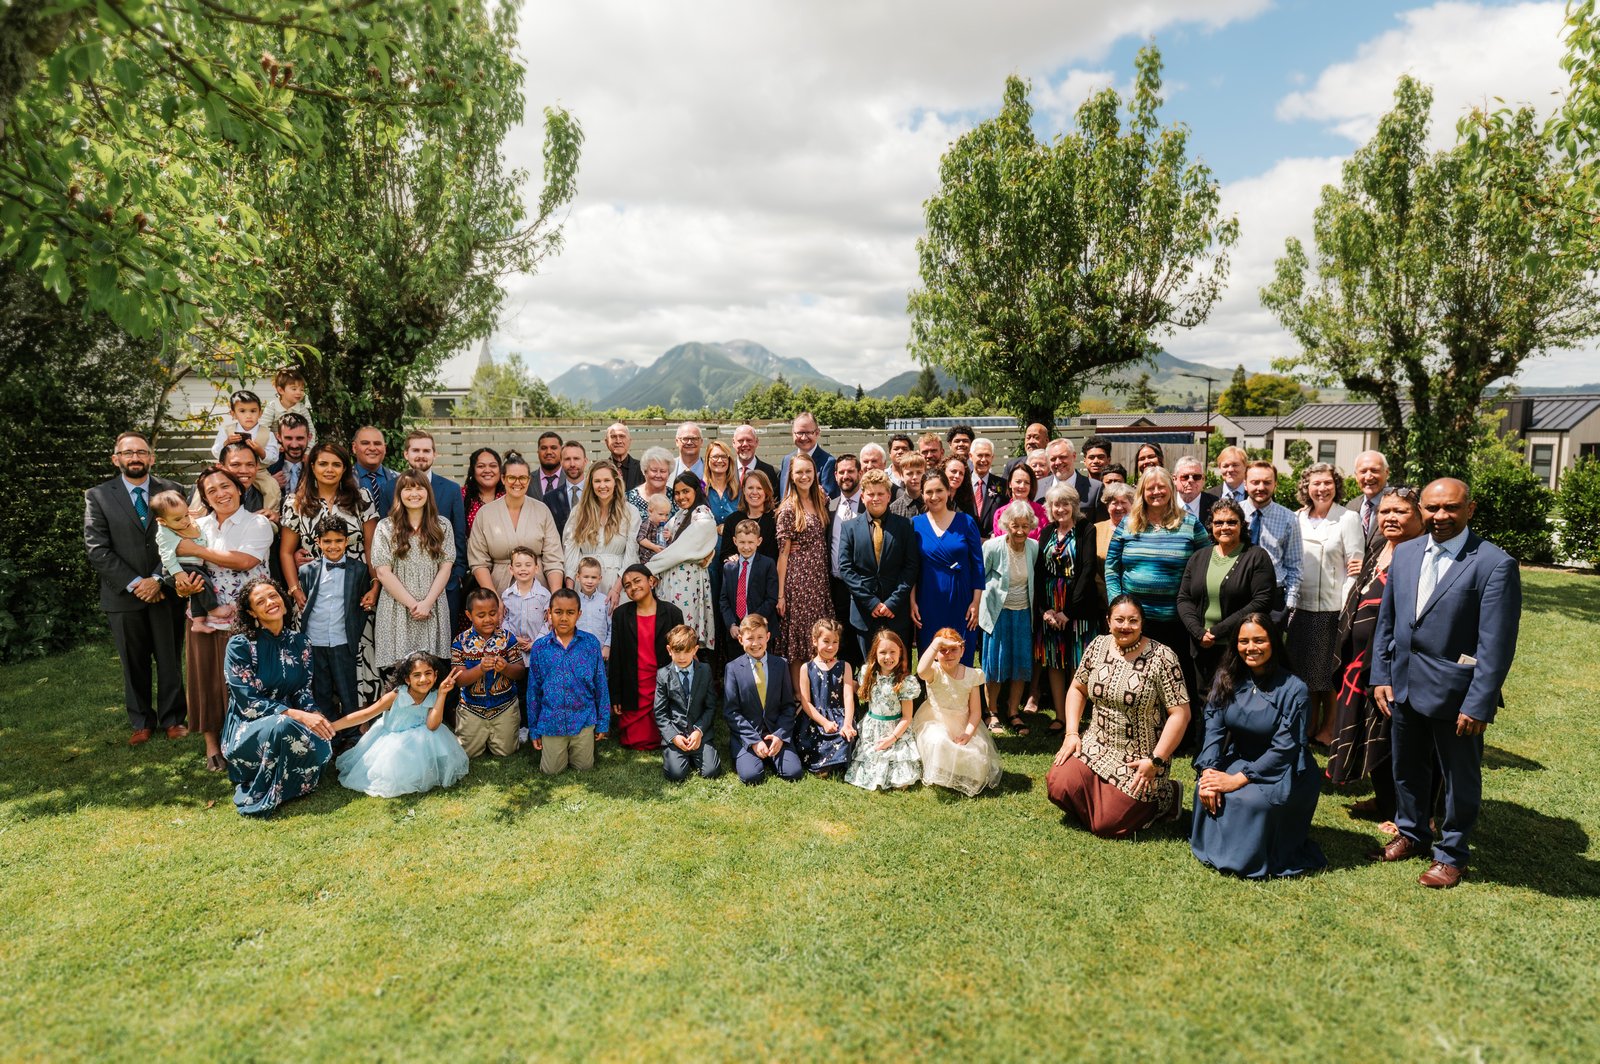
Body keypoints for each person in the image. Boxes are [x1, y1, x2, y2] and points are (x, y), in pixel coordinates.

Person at [1370, 478, 1521, 889]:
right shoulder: (1406, 553)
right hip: (1403, 684)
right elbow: (1388, 621)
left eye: (1450, 507)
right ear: (1421, 509)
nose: (1440, 516)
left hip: (1457, 694)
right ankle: (1412, 833)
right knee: (1407, 767)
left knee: (1459, 778)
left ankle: (1452, 854)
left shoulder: (1494, 564)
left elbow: (1496, 645)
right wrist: (1381, 674)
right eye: (1432, 508)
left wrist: (1478, 703)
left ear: (1469, 509)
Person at [1190, 615, 1327, 878]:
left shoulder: (1294, 689)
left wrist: (1236, 780)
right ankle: (1217, 847)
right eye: (1243, 641)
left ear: (1273, 642)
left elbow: (1285, 748)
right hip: (1241, 755)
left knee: (1249, 801)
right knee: (1204, 787)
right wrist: (1209, 771)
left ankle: (1248, 856)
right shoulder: (1226, 678)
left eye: (1259, 640)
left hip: (1284, 768)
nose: (1250, 647)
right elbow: (1213, 729)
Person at [1045, 596, 1190, 838]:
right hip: (1096, 745)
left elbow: (1180, 714)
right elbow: (1078, 689)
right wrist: (1071, 733)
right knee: (1057, 784)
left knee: (1107, 825)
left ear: (1142, 623)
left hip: (1140, 760)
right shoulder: (1098, 645)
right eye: (1119, 620)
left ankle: (1167, 795)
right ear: (1108, 621)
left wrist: (1156, 760)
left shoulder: (1163, 657)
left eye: (1133, 621)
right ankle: (1105, 798)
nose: (1125, 626)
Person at [1329, 486, 1426, 828]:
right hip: (1359, 662)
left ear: (1420, 517)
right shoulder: (1378, 547)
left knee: (1396, 740)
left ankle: (1408, 813)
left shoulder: (1421, 556)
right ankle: (1386, 800)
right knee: (1373, 734)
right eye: (1385, 512)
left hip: (1393, 664)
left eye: (1400, 511)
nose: (1390, 518)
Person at [84, 432, 190, 745]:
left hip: (166, 588)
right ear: (115, 459)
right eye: (128, 452)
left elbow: (183, 538)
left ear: (151, 458)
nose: (135, 458)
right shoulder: (98, 496)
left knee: (170, 658)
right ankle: (142, 721)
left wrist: (157, 578)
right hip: (123, 595)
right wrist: (136, 583)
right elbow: (97, 548)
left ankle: (173, 719)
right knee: (133, 661)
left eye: (141, 452)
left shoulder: (173, 490)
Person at [184, 467, 273, 771]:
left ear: (238, 488)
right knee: (207, 679)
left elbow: (244, 560)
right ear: (205, 498)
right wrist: (183, 583)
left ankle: (252, 742)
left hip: (247, 615)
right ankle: (212, 745)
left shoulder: (257, 522)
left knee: (250, 680)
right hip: (205, 616)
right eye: (212, 491)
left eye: (226, 486)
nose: (221, 494)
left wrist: (196, 550)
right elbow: (181, 563)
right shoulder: (197, 526)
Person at [221, 577, 334, 816]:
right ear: (252, 612)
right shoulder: (240, 646)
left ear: (283, 600)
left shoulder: (301, 642)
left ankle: (294, 779)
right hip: (248, 728)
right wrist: (298, 716)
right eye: (260, 601)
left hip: (292, 721)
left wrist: (314, 714)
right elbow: (248, 703)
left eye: (273, 596)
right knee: (282, 725)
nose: (270, 602)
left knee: (323, 740)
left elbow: (302, 691)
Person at [1105, 466, 1209, 699]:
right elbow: (1111, 567)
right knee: (1136, 682)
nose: (1156, 492)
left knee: (1176, 683)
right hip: (1135, 622)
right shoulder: (1128, 524)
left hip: (1177, 620)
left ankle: (1181, 724)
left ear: (1171, 489)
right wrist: (1116, 604)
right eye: (1150, 488)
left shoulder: (1189, 523)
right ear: (1142, 492)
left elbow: (1207, 561)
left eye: (1161, 487)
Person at [1293, 462, 1364, 744]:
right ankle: (1310, 725)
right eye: (1316, 483)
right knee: (1307, 673)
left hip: (1333, 608)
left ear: (1336, 486)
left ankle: (1329, 728)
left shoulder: (1348, 518)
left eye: (1327, 483)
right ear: (1306, 487)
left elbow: (1355, 567)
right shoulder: (1297, 517)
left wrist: (1346, 607)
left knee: (1330, 673)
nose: (1322, 488)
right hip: (1301, 607)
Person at [1176, 499, 1276, 697]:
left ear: (1242, 525)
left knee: (1233, 699)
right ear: (1211, 526)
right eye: (1218, 522)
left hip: (1237, 647)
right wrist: (1199, 633)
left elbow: (1262, 600)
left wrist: (1217, 631)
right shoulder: (1199, 557)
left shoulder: (1256, 556)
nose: (1225, 527)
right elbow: (1184, 598)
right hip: (1201, 646)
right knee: (1203, 701)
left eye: (1231, 522)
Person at [334, 652, 468, 798]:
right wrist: (333, 726)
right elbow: (365, 714)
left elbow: (432, 726)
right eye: (416, 675)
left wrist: (442, 694)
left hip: (423, 739)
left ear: (435, 676)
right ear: (407, 679)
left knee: (431, 736)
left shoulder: (434, 693)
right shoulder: (396, 695)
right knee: (396, 763)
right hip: (393, 740)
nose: (423, 679)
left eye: (428, 673)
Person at [1033, 483, 1100, 735]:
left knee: (1077, 661)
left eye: (1065, 504)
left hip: (1078, 606)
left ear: (1074, 506)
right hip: (1051, 607)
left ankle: (1075, 719)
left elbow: (1087, 570)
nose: (1060, 509)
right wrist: (1046, 610)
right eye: (1055, 504)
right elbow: (1039, 571)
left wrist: (1068, 612)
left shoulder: (1086, 529)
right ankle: (1060, 716)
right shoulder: (1047, 531)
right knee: (1054, 659)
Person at [370, 471, 454, 672]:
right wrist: (414, 605)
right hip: (398, 608)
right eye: (408, 488)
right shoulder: (385, 527)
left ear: (428, 492)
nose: (414, 493)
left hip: (432, 606)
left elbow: (446, 566)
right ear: (399, 493)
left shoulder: (442, 525)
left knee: (431, 670)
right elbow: (383, 572)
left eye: (419, 488)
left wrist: (427, 603)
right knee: (399, 673)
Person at [280, 441, 379, 610]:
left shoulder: (361, 499)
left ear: (344, 468)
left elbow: (371, 548)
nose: (330, 469)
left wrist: (375, 585)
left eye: (336, 465)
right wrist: (295, 589)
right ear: (312, 467)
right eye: (323, 464)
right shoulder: (296, 503)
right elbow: (286, 552)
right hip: (313, 589)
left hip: (357, 588)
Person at [299, 516, 370, 743]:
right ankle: (329, 738)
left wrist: (355, 631)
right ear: (318, 542)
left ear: (346, 541)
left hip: (342, 640)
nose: (333, 546)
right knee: (321, 691)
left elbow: (362, 605)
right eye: (327, 541)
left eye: (338, 540)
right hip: (315, 638)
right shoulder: (307, 571)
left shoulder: (359, 570)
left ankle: (352, 737)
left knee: (347, 689)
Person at [526, 588, 611, 776]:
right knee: (551, 771)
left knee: (584, 768)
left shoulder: (590, 644)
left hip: (583, 719)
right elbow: (533, 691)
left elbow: (600, 685)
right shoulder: (540, 647)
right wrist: (534, 729)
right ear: (549, 613)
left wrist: (603, 722)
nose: (564, 618)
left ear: (579, 614)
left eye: (570, 612)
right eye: (558, 612)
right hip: (551, 721)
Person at [838, 469, 919, 662]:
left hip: (896, 611)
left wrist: (893, 602)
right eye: (871, 494)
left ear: (889, 496)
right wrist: (871, 602)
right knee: (869, 666)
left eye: (880, 494)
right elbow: (846, 568)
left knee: (899, 666)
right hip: (864, 612)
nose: (876, 498)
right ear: (863, 496)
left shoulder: (905, 526)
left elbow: (911, 566)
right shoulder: (849, 527)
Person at [913, 628, 1002, 796]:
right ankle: (940, 770)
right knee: (938, 741)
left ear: (962, 651)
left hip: (964, 722)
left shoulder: (972, 675)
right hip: (935, 720)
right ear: (935, 654)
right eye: (942, 650)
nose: (948, 654)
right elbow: (921, 671)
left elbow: (975, 712)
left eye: (953, 649)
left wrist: (968, 734)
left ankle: (957, 770)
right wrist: (937, 642)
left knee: (974, 753)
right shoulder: (934, 671)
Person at [911, 469, 984, 665]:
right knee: (930, 659)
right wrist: (912, 602)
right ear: (922, 494)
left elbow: (978, 565)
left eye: (939, 490)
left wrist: (976, 602)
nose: (934, 496)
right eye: (929, 492)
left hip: (962, 601)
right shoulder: (915, 524)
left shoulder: (966, 522)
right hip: (928, 601)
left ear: (948, 491)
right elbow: (911, 568)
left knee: (961, 656)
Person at [609, 565, 685, 751]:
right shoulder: (621, 615)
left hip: (662, 683)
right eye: (627, 585)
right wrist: (616, 695)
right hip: (634, 684)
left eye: (637, 581)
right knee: (634, 740)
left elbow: (682, 653)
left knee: (665, 733)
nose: (633, 587)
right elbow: (616, 657)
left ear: (651, 581)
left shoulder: (672, 613)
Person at [775, 451, 834, 688]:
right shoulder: (788, 509)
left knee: (817, 636)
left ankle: (817, 690)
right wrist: (781, 595)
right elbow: (783, 554)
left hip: (819, 581)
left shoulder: (821, 500)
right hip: (798, 582)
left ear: (815, 474)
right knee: (798, 640)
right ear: (791, 476)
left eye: (808, 471)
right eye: (799, 472)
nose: (804, 476)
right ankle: (798, 695)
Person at [980, 501, 1039, 736]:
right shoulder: (993, 547)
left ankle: (1013, 711)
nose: (1020, 531)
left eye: (1025, 526)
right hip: (998, 613)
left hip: (1023, 612)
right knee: (995, 664)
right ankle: (991, 711)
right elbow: (980, 577)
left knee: (1020, 665)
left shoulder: (1033, 547)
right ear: (1007, 525)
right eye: (1015, 525)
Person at [466, 452, 564, 595]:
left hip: (539, 592)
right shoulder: (485, 514)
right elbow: (479, 561)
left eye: (523, 478)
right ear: (503, 479)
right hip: (497, 589)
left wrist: (555, 597)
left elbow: (553, 559)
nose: (517, 483)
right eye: (512, 477)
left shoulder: (542, 510)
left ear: (529, 480)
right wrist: (493, 598)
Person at [723, 614, 802, 784]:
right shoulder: (732, 668)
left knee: (793, 772)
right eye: (750, 638)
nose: (755, 643)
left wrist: (780, 736)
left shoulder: (781, 664)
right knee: (751, 776)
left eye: (760, 637)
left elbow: (788, 706)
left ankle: (774, 752)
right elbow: (732, 712)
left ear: (768, 637)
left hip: (775, 731)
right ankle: (753, 754)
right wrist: (754, 741)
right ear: (740, 639)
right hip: (748, 734)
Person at [647, 474, 720, 651]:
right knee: (671, 635)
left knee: (684, 633)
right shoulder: (681, 514)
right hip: (672, 581)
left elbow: (680, 550)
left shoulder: (702, 514)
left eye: (686, 491)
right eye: (677, 493)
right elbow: (665, 542)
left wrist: (649, 568)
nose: (681, 497)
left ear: (696, 491)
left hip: (687, 584)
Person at [843, 630, 923, 790]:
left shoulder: (905, 681)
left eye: (893, 652)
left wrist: (892, 738)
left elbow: (907, 717)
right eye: (883, 652)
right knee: (872, 762)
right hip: (873, 727)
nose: (888, 657)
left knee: (901, 777)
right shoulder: (867, 673)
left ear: (900, 653)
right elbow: (859, 691)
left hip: (896, 728)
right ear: (875, 653)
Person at [403, 430, 469, 621]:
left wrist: (456, 576)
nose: (421, 455)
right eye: (416, 450)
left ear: (434, 454)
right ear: (406, 454)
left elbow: (459, 535)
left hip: (445, 583)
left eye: (426, 450)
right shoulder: (391, 488)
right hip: (404, 587)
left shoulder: (451, 489)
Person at [451, 587, 524, 758]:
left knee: (506, 752)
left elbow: (520, 672)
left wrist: (506, 668)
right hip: (472, 708)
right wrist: (480, 669)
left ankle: (504, 734)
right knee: (467, 753)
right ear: (469, 615)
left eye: (492, 613)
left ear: (499, 612)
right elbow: (459, 680)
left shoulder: (507, 638)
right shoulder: (460, 642)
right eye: (481, 615)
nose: (488, 619)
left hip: (504, 706)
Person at [563, 460, 641, 605]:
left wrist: (617, 589)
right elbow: (571, 552)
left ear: (615, 482)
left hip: (617, 583)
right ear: (591, 484)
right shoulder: (579, 512)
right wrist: (570, 591)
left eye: (607, 480)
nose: (602, 485)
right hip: (584, 585)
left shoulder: (630, 512)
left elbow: (632, 554)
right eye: (597, 481)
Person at [653, 624, 723, 782]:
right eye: (677, 652)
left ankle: (697, 753)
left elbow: (711, 706)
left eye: (687, 651)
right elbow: (660, 712)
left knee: (712, 772)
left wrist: (699, 731)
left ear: (695, 650)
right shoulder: (663, 675)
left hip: (700, 734)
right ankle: (677, 754)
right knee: (676, 775)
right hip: (676, 733)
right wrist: (674, 737)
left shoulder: (705, 670)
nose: (682, 657)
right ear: (669, 650)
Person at [150, 490, 225, 632]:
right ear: (162, 521)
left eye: (186, 515)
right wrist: (178, 573)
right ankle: (213, 609)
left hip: (193, 566)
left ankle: (198, 622)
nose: (185, 521)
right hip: (180, 568)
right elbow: (166, 556)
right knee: (203, 583)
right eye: (178, 519)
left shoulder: (187, 524)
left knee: (197, 592)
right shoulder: (164, 533)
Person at [1239, 460, 1302, 622]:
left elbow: (1294, 565)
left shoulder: (1289, 519)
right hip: (1237, 594)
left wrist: (1289, 604)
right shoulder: (1234, 513)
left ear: (1275, 485)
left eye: (1267, 482)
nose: (1261, 487)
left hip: (1274, 599)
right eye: (1255, 482)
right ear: (1245, 484)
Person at [795, 618, 856, 776]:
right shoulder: (806, 668)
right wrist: (824, 722)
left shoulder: (845, 666)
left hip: (839, 717)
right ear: (815, 641)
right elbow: (806, 703)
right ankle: (826, 765)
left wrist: (847, 723)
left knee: (844, 736)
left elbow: (848, 697)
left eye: (835, 642)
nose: (831, 646)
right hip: (815, 717)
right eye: (826, 641)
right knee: (811, 739)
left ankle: (832, 764)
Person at [826, 454, 865, 664]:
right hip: (837, 586)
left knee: (863, 644)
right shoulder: (829, 507)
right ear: (835, 475)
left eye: (850, 471)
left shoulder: (869, 504)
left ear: (860, 473)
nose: (846, 476)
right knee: (841, 644)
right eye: (841, 472)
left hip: (863, 586)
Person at [719, 518, 779, 648]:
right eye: (742, 542)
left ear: (759, 541)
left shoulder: (768, 564)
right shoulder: (729, 567)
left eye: (751, 542)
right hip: (736, 632)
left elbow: (771, 599)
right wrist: (731, 624)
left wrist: (751, 623)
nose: (746, 547)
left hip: (760, 630)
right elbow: (724, 600)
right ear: (735, 541)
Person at [715, 468, 778, 570]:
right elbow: (725, 554)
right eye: (750, 488)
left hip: (766, 575)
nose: (754, 492)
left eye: (759, 488)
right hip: (739, 575)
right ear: (744, 490)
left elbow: (776, 556)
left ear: (766, 491)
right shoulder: (732, 520)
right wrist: (730, 558)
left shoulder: (775, 520)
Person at [1093, 481, 1136, 612]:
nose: (1119, 507)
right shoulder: (1095, 529)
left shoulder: (1140, 529)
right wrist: (1107, 595)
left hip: (1135, 600)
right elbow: (1091, 567)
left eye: (1123, 502)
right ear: (1107, 506)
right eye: (1114, 503)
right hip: (1100, 601)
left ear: (1132, 504)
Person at [1036, 438, 1103, 522]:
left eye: (1062, 457)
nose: (1058, 462)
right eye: (1053, 459)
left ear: (1074, 456)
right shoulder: (1038, 487)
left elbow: (1102, 525)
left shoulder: (1095, 488)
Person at [778, 411, 838, 498]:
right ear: (792, 433)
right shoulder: (787, 460)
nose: (804, 438)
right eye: (800, 433)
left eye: (809, 433)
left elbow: (828, 501)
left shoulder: (828, 463)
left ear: (817, 433)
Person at [261, 367, 316, 447]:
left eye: (302, 389)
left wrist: (308, 449)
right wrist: (275, 446)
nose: (299, 392)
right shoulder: (272, 406)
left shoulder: (302, 409)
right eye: (294, 389)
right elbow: (263, 428)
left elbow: (310, 430)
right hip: (275, 448)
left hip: (297, 447)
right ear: (281, 390)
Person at [571, 557, 613, 660]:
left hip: (600, 654)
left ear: (600, 579)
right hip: (576, 654)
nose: (589, 581)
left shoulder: (605, 601)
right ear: (578, 577)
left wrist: (607, 646)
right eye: (586, 577)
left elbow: (611, 627)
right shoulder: (572, 602)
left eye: (594, 577)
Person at [352, 426, 398, 519]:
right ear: (354, 447)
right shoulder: (342, 479)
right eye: (365, 443)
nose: (372, 448)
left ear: (385, 448)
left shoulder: (399, 479)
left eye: (377, 443)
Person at [994, 462, 1046, 539]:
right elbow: (999, 541)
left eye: (1027, 482)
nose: (1022, 486)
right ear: (1010, 484)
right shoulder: (1000, 513)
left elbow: (1043, 540)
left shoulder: (1041, 511)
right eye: (1018, 482)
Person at [1351, 450, 1391, 550]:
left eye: (1374, 470)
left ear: (1387, 473)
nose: (1368, 477)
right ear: (1356, 476)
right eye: (1363, 471)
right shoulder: (1351, 506)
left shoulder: (1400, 504)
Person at [626, 447, 677, 525]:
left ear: (669, 474)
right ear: (644, 471)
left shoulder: (676, 498)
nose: (658, 475)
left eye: (663, 471)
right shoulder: (629, 499)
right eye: (654, 470)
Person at [462, 446, 504, 536]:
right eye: (481, 466)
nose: (487, 470)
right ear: (473, 471)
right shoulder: (461, 495)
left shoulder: (509, 495)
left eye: (493, 466)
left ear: (500, 470)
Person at [267, 412, 311, 496]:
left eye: (300, 438)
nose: (294, 445)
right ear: (279, 437)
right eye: (288, 438)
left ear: (309, 437)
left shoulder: (317, 466)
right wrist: (269, 485)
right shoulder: (267, 465)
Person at [732, 423, 780, 489]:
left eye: (749, 440)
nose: (745, 444)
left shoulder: (773, 473)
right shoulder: (726, 471)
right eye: (741, 440)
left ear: (756, 442)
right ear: (733, 443)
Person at [1172, 455, 1216, 528]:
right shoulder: (1166, 503)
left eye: (1196, 477)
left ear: (1203, 479)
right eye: (1185, 477)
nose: (1191, 480)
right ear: (1175, 479)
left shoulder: (1214, 504)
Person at [605, 421, 645, 493]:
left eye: (622, 436)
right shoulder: (600, 469)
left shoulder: (643, 469)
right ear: (606, 442)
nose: (618, 441)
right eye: (613, 437)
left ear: (629, 441)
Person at [636, 494, 674, 560]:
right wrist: (654, 547)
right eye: (661, 514)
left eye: (666, 515)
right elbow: (640, 539)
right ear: (650, 512)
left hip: (659, 556)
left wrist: (669, 537)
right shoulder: (647, 524)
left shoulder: (661, 526)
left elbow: (667, 543)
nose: (664, 518)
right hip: (647, 558)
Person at [943, 454, 976, 519]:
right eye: (953, 471)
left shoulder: (966, 501)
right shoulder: (935, 498)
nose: (957, 476)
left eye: (961, 473)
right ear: (943, 471)